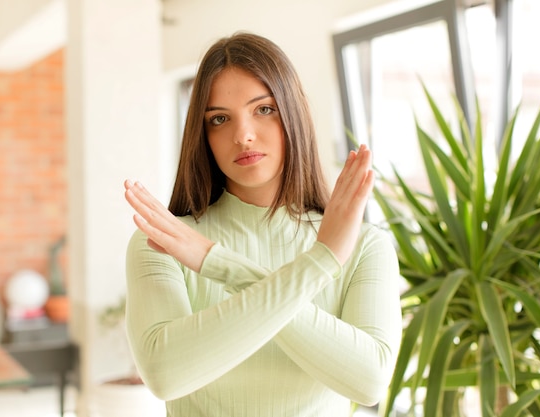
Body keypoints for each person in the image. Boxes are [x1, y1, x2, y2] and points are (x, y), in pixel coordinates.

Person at [123, 32, 402, 417]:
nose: (243, 135)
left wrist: (217, 262)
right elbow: (165, 375)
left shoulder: (365, 246)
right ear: (202, 136)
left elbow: (368, 380)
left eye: (264, 109)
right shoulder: (164, 243)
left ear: (292, 113)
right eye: (219, 119)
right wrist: (320, 260)